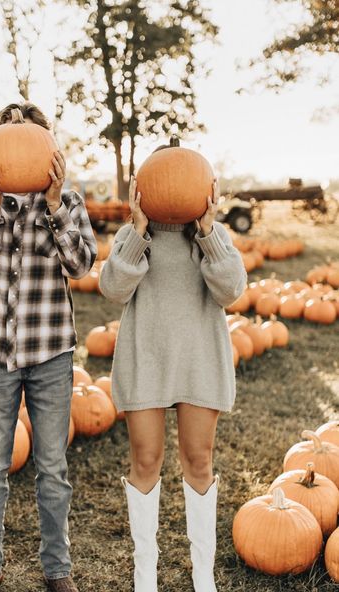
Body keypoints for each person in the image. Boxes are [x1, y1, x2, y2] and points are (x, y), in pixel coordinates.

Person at [0, 101, 97, 592]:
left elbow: (79, 266)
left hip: (50, 351)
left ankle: (58, 568)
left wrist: (53, 206)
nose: (19, 143)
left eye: (29, 135)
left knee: (53, 468)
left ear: (49, 150)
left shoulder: (68, 204)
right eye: (8, 135)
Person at [99, 144, 247, 592]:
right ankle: (146, 573)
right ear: (142, 189)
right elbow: (112, 288)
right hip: (147, 358)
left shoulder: (213, 236)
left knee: (198, 460)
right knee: (146, 460)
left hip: (198, 358)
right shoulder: (132, 235)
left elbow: (232, 290)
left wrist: (206, 230)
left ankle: (204, 576)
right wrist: (139, 231)